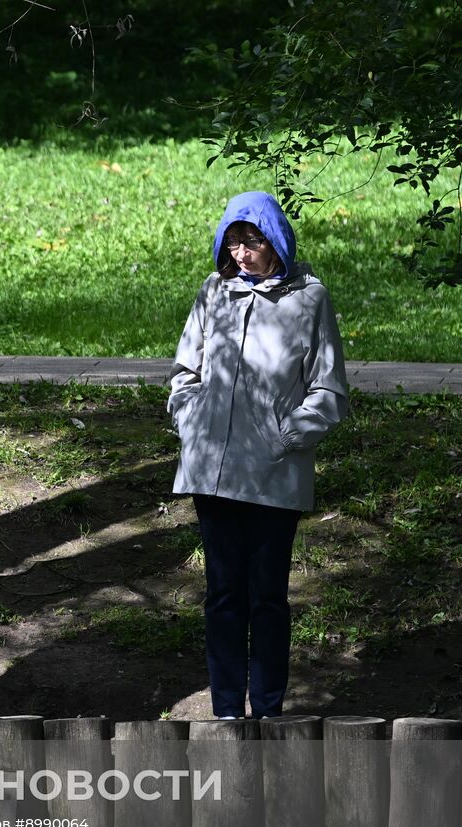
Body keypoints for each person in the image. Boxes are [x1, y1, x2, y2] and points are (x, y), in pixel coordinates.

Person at [168, 191, 349, 720]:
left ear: (276, 241)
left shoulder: (310, 299)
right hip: (211, 472)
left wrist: (283, 438)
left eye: (253, 241)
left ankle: (268, 710)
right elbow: (185, 372)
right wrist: (192, 424)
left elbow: (330, 392)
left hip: (273, 476)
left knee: (266, 598)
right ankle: (225, 711)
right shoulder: (213, 292)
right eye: (234, 242)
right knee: (222, 595)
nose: (242, 254)